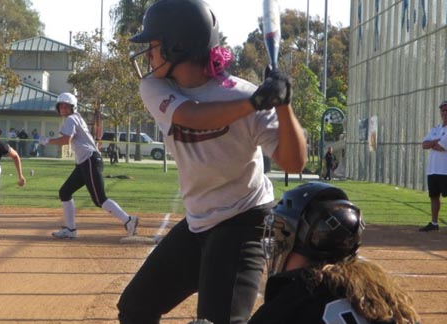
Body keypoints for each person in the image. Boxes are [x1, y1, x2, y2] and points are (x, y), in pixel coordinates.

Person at [118, 1, 307, 323]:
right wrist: (254, 103)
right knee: (136, 307)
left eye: (153, 45)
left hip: (244, 221)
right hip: (198, 222)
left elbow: (294, 161)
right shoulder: (156, 87)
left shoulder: (243, 96)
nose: (148, 55)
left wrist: (282, 104)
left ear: (178, 46)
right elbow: (192, 117)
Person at [247, 182, 420, 324]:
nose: (277, 245)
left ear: (299, 242)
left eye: (282, 237)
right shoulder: (386, 297)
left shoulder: (291, 301)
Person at [40, 92, 139, 239]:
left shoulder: (71, 119)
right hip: (84, 162)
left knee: (99, 199)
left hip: (89, 161)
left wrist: (47, 141)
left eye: (66, 106)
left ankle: (128, 220)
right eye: (61, 105)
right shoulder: (76, 118)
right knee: (65, 192)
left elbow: (66, 140)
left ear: (72, 107)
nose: (63, 108)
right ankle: (70, 230)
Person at [419, 100, 447, 232]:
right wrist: (434, 142)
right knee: (434, 196)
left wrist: (433, 143)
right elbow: (424, 145)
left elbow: (441, 147)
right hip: (433, 169)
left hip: (445, 169)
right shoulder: (436, 128)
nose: (444, 112)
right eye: (443, 110)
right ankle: (434, 223)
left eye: (446, 110)